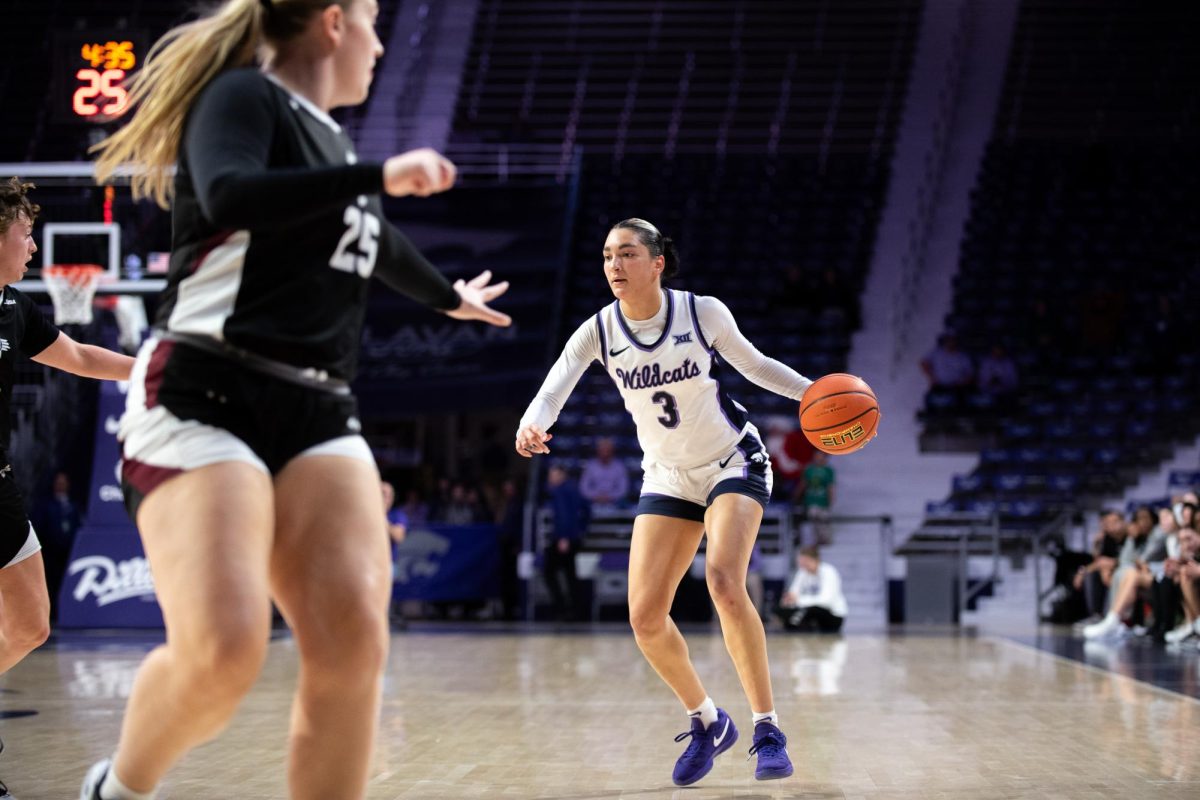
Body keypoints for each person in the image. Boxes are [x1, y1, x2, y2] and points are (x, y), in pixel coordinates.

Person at [80, 2, 511, 798]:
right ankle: (120, 787)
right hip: (205, 387)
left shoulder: (333, 140)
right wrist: (377, 176)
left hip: (317, 405)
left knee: (353, 648)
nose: (383, 45)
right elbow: (234, 192)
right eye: (375, 21)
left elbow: (375, 241)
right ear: (334, 21)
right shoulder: (244, 98)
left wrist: (448, 297)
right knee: (225, 652)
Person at [516, 218, 814, 784]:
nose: (614, 266)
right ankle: (707, 721)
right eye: (607, 256)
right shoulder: (599, 330)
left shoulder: (702, 312)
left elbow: (754, 366)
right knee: (645, 617)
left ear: (657, 262)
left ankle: (767, 727)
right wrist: (532, 423)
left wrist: (815, 394)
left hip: (732, 459)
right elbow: (556, 384)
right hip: (669, 476)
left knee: (724, 582)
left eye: (627, 253)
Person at [0, 178, 135, 797]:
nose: (32, 248)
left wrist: (150, 371)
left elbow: (78, 357)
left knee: (31, 625)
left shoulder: (13, 306)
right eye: (25, 234)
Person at [542, 463, 589, 621]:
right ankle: (575, 610)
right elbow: (586, 510)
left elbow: (564, 516)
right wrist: (580, 531)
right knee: (570, 575)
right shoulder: (573, 489)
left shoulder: (561, 490)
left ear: (561, 475)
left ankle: (563, 608)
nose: (550, 478)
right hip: (572, 538)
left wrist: (564, 537)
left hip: (563, 539)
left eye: (553, 474)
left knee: (550, 571)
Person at [775, 547, 847, 633]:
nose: (802, 564)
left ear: (815, 560)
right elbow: (793, 594)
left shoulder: (829, 572)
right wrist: (788, 600)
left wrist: (798, 600)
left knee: (813, 610)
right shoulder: (802, 572)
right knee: (779, 608)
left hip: (833, 614)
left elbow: (826, 601)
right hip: (808, 608)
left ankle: (797, 625)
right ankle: (796, 626)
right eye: (801, 562)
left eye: (805, 561)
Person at [579, 436, 629, 508]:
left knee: (623, 502)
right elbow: (584, 487)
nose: (605, 453)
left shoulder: (619, 466)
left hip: (614, 500)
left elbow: (623, 489)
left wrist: (609, 496)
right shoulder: (590, 465)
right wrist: (596, 496)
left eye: (607, 450)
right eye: (602, 450)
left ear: (612, 451)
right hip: (593, 499)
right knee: (582, 502)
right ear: (598, 451)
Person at [799, 450, 836, 545]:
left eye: (820, 456)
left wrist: (831, 499)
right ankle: (815, 540)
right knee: (813, 519)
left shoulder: (828, 471)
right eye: (817, 456)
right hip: (811, 500)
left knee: (823, 521)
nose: (818, 458)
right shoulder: (809, 469)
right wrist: (797, 495)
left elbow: (830, 486)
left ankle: (825, 539)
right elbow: (803, 484)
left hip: (823, 501)